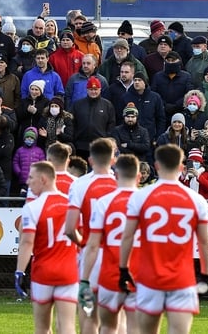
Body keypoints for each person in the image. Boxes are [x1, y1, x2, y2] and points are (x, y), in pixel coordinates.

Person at [119, 144, 208, 334]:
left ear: (157, 166)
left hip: (148, 278)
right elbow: (204, 242)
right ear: (181, 167)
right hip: (182, 279)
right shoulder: (196, 200)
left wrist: (123, 268)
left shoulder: (140, 196)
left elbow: (127, 236)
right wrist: (205, 274)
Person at [80, 154, 140, 334]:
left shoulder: (104, 203)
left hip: (110, 273)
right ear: (138, 177)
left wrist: (84, 278)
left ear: (116, 175)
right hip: (140, 274)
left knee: (108, 326)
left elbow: (92, 245)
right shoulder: (148, 200)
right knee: (135, 327)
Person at [15, 161, 77, 334]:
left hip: (44, 272)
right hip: (69, 271)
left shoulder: (33, 207)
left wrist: (20, 271)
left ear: (43, 179)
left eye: (31, 177)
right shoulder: (71, 204)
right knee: (67, 325)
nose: (27, 182)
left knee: (42, 328)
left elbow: (27, 242)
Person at [64, 137, 117, 334]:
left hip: (90, 257)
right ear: (113, 159)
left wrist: (83, 244)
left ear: (91, 160)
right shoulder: (122, 184)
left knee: (88, 315)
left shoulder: (80, 184)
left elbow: (70, 228)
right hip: (118, 256)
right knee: (115, 320)